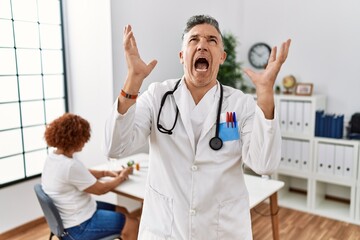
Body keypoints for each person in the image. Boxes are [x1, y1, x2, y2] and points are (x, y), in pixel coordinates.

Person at [104, 14, 291, 239]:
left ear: (221, 56)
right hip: (165, 229)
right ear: (182, 56)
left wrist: (265, 97)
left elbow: (264, 164)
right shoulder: (157, 96)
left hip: (222, 230)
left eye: (212, 40)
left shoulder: (239, 104)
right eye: (194, 40)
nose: (202, 45)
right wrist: (133, 80)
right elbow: (116, 148)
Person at [42, 113, 139, 240]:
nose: (85, 142)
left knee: (123, 210)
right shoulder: (70, 166)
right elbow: (101, 189)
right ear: (76, 139)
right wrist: (122, 176)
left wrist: (105, 173)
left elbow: (82, 173)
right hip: (78, 226)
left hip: (76, 214)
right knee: (133, 225)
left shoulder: (54, 158)